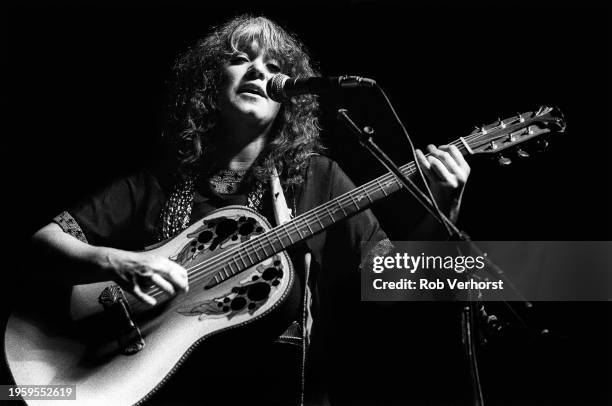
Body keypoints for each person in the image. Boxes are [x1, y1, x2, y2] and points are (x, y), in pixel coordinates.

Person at [30, 14, 470, 406]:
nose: (260, 71)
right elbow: (41, 244)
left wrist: (444, 201)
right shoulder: (159, 181)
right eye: (241, 58)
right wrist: (119, 262)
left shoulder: (320, 179)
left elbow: (396, 282)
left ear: (287, 99)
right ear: (208, 86)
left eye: (276, 68)